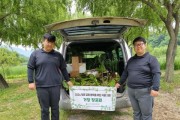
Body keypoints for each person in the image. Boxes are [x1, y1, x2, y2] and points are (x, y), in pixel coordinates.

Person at [27, 33, 73, 120]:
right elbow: (30, 67)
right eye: (48, 42)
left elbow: (63, 69)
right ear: (43, 42)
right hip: (41, 86)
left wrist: (68, 80)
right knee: (44, 109)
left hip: (55, 86)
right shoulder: (35, 54)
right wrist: (30, 81)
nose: (50, 44)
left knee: (55, 108)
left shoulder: (58, 55)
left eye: (52, 42)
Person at [115, 36, 161, 120]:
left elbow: (156, 74)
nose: (138, 46)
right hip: (131, 91)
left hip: (145, 91)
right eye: (136, 45)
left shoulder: (151, 59)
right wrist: (119, 82)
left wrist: (155, 88)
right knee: (136, 112)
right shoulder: (131, 60)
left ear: (145, 45)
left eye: (140, 44)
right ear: (134, 47)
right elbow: (125, 72)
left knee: (146, 115)